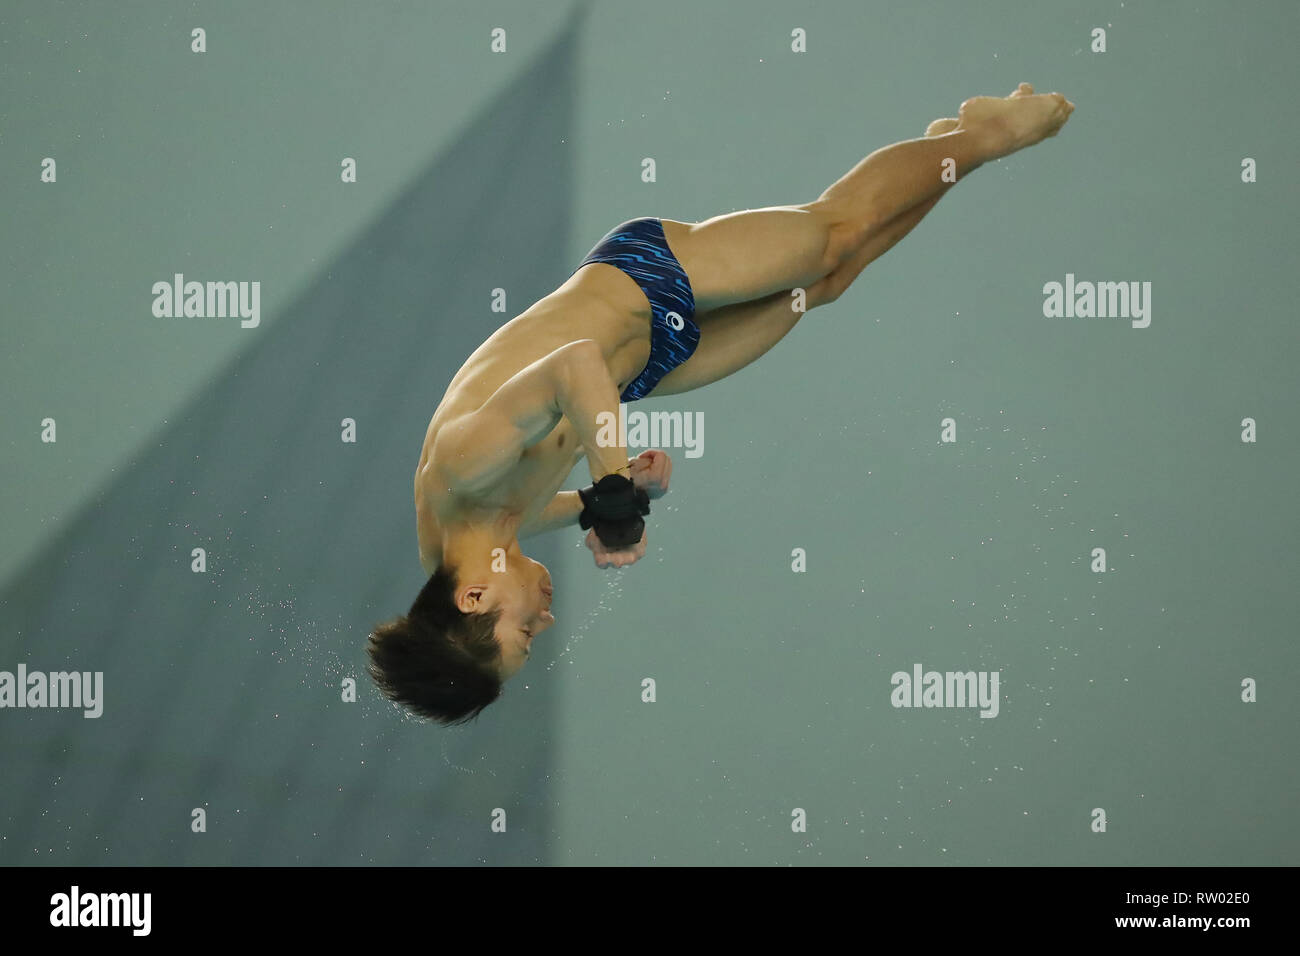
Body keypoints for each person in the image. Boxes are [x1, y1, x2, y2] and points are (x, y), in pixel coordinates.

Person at [368, 83, 1074, 725]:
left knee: (835, 231)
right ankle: (957, 152)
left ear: (475, 600)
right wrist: (591, 504)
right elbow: (523, 503)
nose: (543, 624)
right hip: (647, 369)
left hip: (644, 279)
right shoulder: (466, 545)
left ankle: (994, 132)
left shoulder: (463, 464)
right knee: (825, 285)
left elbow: (574, 366)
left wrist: (614, 489)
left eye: (522, 632)